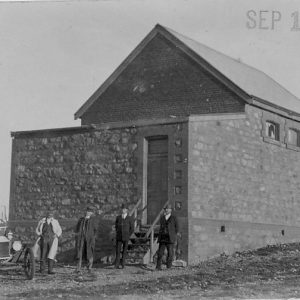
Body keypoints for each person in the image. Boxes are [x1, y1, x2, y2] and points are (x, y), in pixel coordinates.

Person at [35, 210, 62, 274]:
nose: (50, 215)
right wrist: (39, 234)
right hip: (44, 239)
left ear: (53, 215)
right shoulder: (42, 221)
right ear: (46, 214)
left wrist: (56, 235)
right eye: (49, 214)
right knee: (43, 254)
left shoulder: (55, 221)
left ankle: (50, 270)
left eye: (51, 214)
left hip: (52, 239)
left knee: (51, 255)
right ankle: (42, 270)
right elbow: (37, 229)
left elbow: (59, 230)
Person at [75, 206, 98, 273]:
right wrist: (78, 235)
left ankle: (89, 268)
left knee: (89, 252)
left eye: (89, 211)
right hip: (81, 238)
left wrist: (93, 237)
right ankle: (78, 268)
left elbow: (95, 230)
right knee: (80, 252)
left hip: (89, 239)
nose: (88, 213)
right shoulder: (81, 220)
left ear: (91, 213)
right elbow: (77, 228)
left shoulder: (93, 220)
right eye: (87, 211)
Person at [156, 204, 179, 270]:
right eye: (165, 209)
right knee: (160, 253)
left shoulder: (174, 217)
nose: (166, 210)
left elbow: (177, 227)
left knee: (170, 253)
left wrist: (175, 235)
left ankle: (168, 266)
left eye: (168, 209)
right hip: (163, 237)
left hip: (170, 238)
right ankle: (158, 267)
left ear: (171, 210)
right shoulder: (162, 217)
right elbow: (161, 227)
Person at [114, 204, 134, 269]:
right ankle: (116, 264)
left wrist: (128, 235)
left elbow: (132, 228)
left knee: (124, 251)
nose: (123, 210)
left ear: (127, 210)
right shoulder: (118, 217)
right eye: (122, 209)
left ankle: (123, 264)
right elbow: (116, 226)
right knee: (117, 251)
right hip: (119, 237)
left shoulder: (130, 218)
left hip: (126, 237)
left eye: (125, 209)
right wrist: (118, 233)